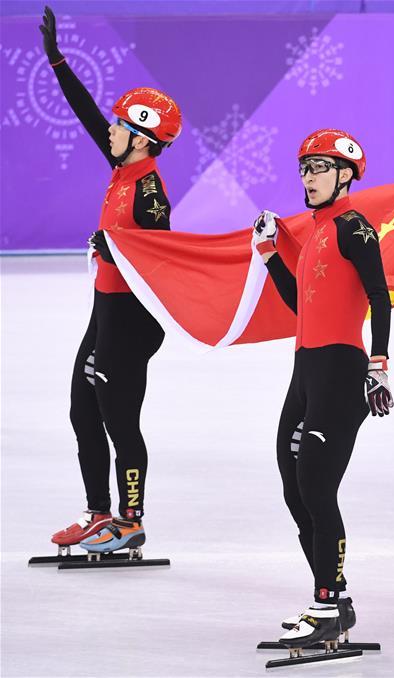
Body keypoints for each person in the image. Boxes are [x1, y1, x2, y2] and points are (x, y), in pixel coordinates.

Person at [39, 7, 182, 556]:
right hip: (105, 311)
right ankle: (100, 513)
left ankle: (131, 520)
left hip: (131, 320)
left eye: (123, 126)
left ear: (143, 139)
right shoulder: (124, 166)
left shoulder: (149, 193)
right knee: (82, 408)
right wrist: (57, 61)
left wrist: (116, 249)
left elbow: (160, 259)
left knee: (120, 420)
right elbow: (86, 114)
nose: (112, 130)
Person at [252, 129, 393, 648]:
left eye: (319, 168)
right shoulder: (315, 232)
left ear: (345, 174)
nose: (308, 178)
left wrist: (378, 364)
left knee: (316, 488)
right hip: (305, 369)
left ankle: (328, 605)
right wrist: (269, 255)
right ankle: (333, 598)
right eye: (304, 169)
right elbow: (302, 305)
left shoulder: (354, 228)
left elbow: (381, 295)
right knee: (294, 487)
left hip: (340, 370)